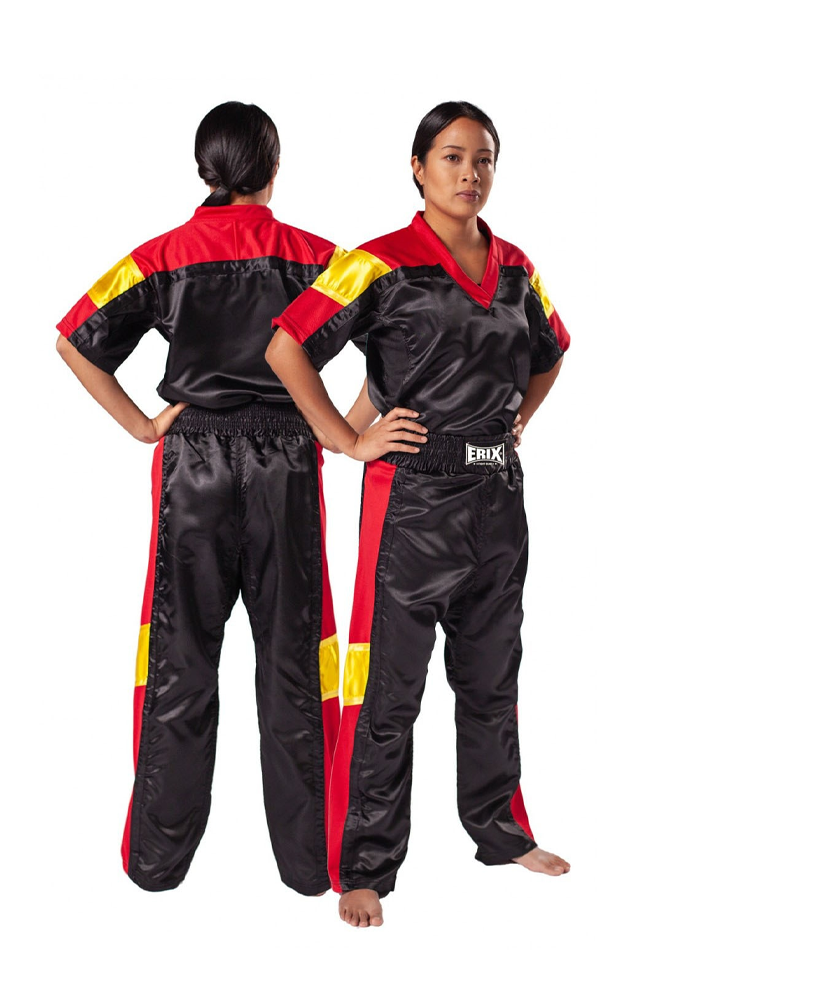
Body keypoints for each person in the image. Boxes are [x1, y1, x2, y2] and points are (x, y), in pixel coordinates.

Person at [266, 100, 572, 927]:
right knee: (386, 692)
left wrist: (517, 421)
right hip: (411, 501)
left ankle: (501, 830)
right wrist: (345, 439)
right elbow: (287, 345)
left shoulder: (516, 267)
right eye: (453, 157)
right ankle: (364, 866)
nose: (470, 174)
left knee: (492, 677)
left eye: (484, 159)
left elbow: (552, 352)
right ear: (418, 167)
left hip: (498, 498)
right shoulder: (377, 262)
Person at [55, 102, 344, 896]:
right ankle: (312, 865)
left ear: (204, 169)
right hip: (287, 465)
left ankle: (156, 862)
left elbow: (74, 337)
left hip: (193, 465)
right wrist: (344, 430)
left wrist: (144, 425)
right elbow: (397, 327)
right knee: (296, 664)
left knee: (179, 662)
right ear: (273, 169)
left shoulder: (162, 255)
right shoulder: (319, 258)